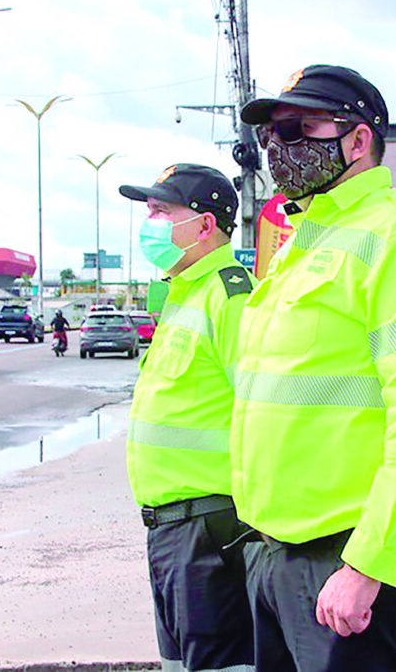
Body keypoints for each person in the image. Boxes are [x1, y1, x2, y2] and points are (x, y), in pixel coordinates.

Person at [230, 65, 396, 671]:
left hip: (351, 562)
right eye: (272, 135)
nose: (280, 147)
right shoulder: (304, 241)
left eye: (299, 127)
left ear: (358, 139)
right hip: (278, 556)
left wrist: (366, 564)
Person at [119, 163, 255, 672]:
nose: (148, 223)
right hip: (171, 531)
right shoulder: (183, 294)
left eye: (160, 211)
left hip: (214, 531)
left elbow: (259, 411)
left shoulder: (230, 295)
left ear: (203, 226)